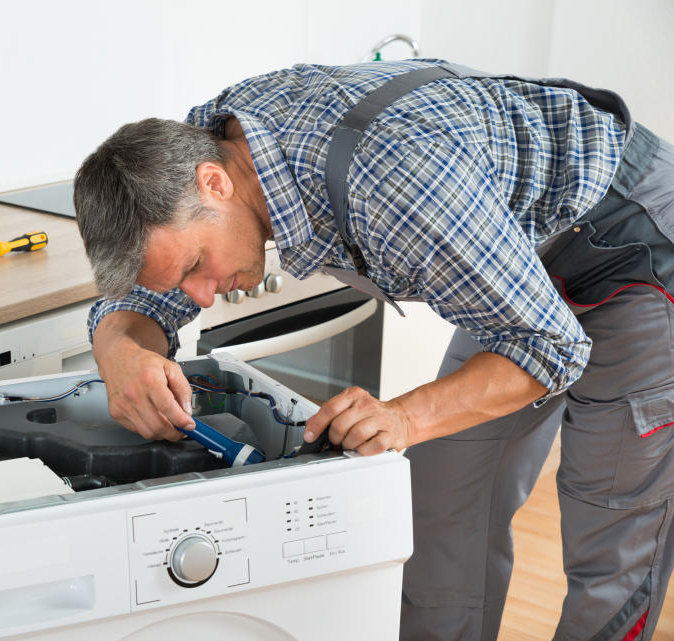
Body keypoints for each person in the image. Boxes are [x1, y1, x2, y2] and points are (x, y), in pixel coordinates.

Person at [72, 59, 674, 640]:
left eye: (197, 266)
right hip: (505, 256)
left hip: (629, 241)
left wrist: (404, 415)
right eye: (181, 282)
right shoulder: (208, 147)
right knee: (441, 505)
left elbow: (548, 344)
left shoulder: (394, 183)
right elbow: (147, 302)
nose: (200, 296)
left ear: (214, 184)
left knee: (612, 531)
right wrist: (120, 348)